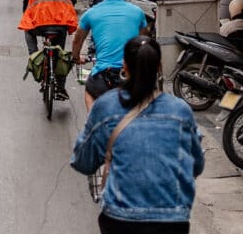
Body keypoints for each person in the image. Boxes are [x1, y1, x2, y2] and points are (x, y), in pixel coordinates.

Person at [72, 36, 205, 234]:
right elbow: (196, 165)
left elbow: (83, 162)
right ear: (159, 67)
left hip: (121, 218)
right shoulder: (180, 111)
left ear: (124, 66)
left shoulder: (106, 107)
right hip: (172, 219)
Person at [71, 0, 149, 110]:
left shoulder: (91, 13)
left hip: (103, 77)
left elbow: (78, 39)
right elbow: (144, 40)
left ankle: (94, 126)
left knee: (89, 92)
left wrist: (76, 57)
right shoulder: (137, 12)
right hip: (131, 76)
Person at [19, 0, 79, 99]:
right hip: (60, 25)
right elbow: (73, 0)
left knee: (28, 32)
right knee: (60, 54)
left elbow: (25, 4)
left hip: (39, 25)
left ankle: (34, 56)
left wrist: (28, 17)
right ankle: (61, 87)